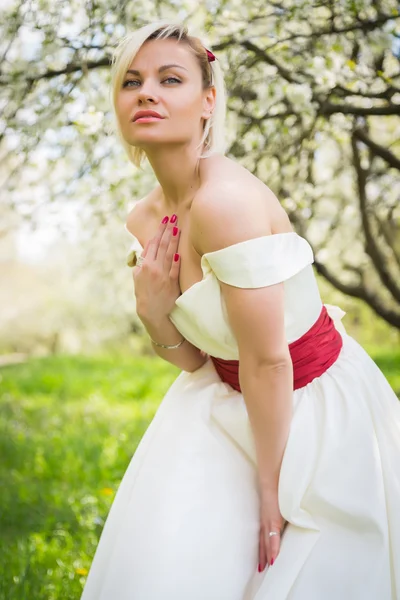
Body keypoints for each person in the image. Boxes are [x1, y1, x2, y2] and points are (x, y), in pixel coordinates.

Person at [81, 20, 400, 600]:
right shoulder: (143, 219)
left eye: (169, 79)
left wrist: (270, 494)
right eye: (133, 81)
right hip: (225, 397)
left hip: (310, 405)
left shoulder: (225, 203)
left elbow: (270, 361)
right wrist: (155, 315)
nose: (147, 92)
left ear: (207, 102)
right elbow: (200, 363)